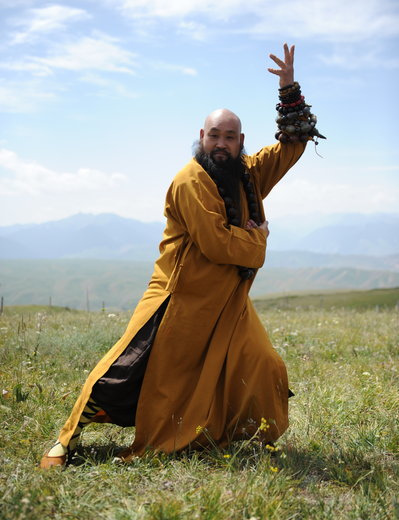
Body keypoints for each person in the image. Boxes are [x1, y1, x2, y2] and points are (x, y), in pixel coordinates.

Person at [40, 43, 323, 468]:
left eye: (230, 136)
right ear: (201, 136)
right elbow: (215, 243)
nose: (222, 143)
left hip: (228, 303)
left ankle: (245, 435)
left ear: (241, 140)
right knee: (132, 370)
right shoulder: (190, 181)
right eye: (215, 135)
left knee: (263, 365)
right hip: (181, 299)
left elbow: (291, 147)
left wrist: (288, 89)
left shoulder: (246, 175)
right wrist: (259, 239)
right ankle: (69, 438)